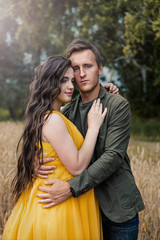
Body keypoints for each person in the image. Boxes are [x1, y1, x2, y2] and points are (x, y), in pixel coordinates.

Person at [35, 39, 145, 240]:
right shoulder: (66, 111)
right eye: (75, 68)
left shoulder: (117, 105)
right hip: (82, 209)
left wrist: (71, 188)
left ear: (100, 69)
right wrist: (34, 160)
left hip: (116, 208)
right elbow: (45, 138)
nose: (82, 74)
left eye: (88, 66)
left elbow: (113, 156)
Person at [3, 55, 110, 240]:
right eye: (63, 81)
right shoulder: (53, 120)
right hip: (59, 206)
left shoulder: (53, 115)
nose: (70, 87)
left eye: (71, 80)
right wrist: (93, 128)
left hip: (61, 198)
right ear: (50, 83)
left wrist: (104, 90)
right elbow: (77, 167)